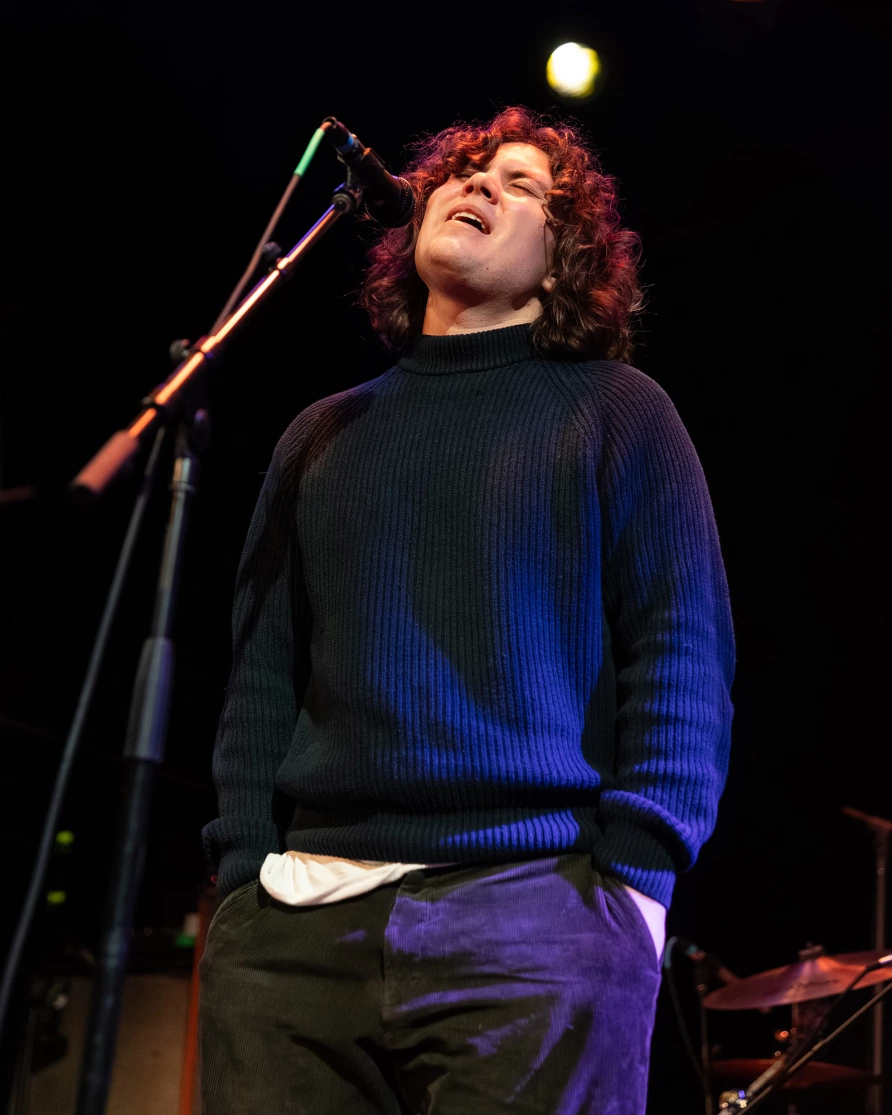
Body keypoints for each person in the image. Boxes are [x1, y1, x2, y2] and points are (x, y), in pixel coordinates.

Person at [199, 105, 735, 1114]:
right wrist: (241, 878)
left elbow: (680, 652)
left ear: (564, 256)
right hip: (296, 931)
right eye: (466, 170)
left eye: (521, 183)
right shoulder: (321, 432)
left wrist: (632, 887)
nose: (479, 184)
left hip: (538, 913)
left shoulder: (619, 410)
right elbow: (262, 672)